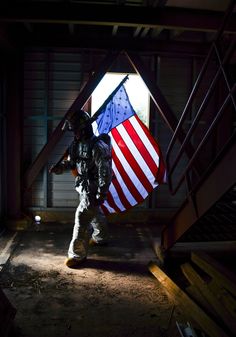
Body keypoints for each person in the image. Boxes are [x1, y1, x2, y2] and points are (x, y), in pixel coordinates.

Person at [49, 109, 113, 268]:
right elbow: (72, 163)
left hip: (93, 187)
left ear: (84, 129)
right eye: (73, 131)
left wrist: (102, 193)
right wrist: (60, 168)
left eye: (76, 130)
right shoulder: (76, 145)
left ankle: (77, 255)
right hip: (82, 186)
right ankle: (101, 237)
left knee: (82, 217)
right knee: (95, 213)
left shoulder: (98, 146)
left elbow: (105, 172)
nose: (74, 133)